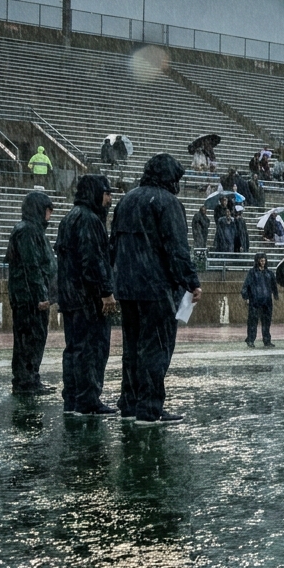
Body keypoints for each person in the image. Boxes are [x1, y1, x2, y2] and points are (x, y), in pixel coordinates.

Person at [111, 154, 202, 424]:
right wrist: (191, 281)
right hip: (156, 287)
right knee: (156, 348)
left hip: (127, 287)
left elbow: (113, 245)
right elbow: (176, 248)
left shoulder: (126, 200)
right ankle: (150, 408)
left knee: (132, 347)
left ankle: (129, 403)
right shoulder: (168, 203)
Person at [56, 175, 117, 414]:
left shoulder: (69, 218)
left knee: (74, 349)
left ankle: (72, 399)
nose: (110, 199)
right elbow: (92, 261)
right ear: (96, 193)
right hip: (87, 298)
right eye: (107, 193)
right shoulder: (90, 220)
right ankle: (88, 400)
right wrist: (105, 292)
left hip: (71, 297)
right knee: (93, 349)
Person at [6, 191, 56, 397]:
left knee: (31, 339)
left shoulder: (30, 230)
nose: (50, 215)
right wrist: (41, 295)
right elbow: (32, 266)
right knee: (30, 339)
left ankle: (29, 379)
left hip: (27, 296)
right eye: (48, 210)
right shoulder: (28, 231)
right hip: (28, 298)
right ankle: (26, 381)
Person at [241, 252, 277, 347]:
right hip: (255, 302)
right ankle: (251, 340)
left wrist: (275, 295)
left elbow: (274, 285)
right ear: (257, 261)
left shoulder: (269, 273)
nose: (263, 262)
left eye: (264, 260)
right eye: (261, 260)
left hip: (267, 302)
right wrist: (246, 297)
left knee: (266, 323)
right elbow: (246, 285)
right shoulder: (252, 273)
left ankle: (267, 341)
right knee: (253, 322)